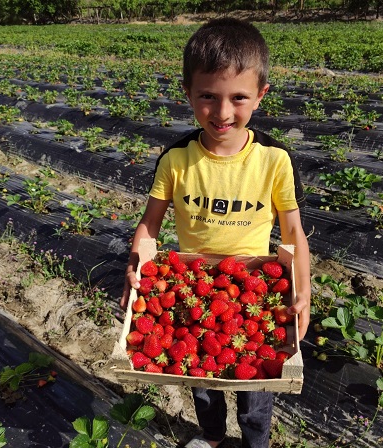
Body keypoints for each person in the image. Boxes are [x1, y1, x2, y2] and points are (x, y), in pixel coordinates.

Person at [121, 17, 311, 448]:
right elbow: (150, 227)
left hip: (259, 285)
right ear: (187, 92)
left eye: (238, 98)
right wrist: (136, 270)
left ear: (260, 95)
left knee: (256, 393)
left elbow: (294, 233)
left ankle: (254, 442)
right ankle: (211, 438)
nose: (223, 112)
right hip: (192, 284)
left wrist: (304, 290)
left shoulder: (274, 160)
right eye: (208, 96)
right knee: (200, 381)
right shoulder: (176, 159)